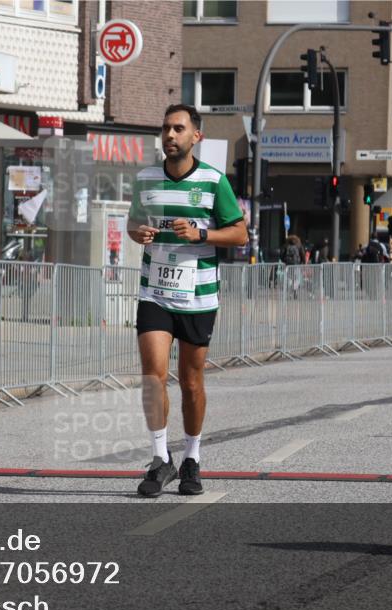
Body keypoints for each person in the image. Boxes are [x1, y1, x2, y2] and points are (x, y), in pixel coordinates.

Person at [127, 104, 248, 497]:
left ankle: (192, 458)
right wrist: (138, 233)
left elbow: (240, 234)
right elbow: (133, 222)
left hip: (198, 296)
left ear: (196, 136)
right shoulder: (145, 178)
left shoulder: (214, 181)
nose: (170, 135)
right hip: (154, 292)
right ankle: (160, 459)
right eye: (165, 128)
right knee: (152, 375)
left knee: (191, 383)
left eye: (178, 129)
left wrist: (200, 236)